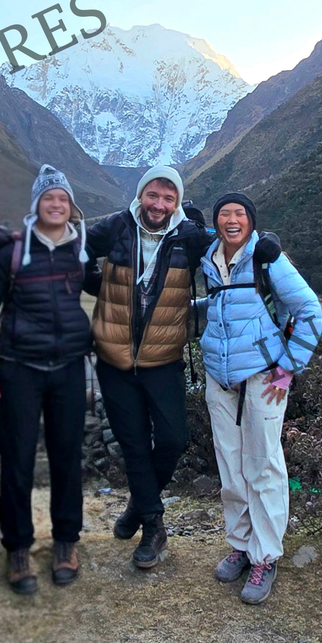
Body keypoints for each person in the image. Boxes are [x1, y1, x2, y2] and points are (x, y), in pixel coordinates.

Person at [194, 192, 322, 604]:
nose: (232, 220)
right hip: (219, 377)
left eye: (239, 214)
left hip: (263, 376)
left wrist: (289, 367)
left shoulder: (268, 259)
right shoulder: (209, 261)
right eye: (225, 214)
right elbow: (222, 306)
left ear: (250, 220)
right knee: (231, 465)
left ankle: (266, 556)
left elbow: (309, 309)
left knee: (264, 465)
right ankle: (241, 545)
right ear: (216, 224)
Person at [0, 165, 94, 595]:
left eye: (62, 198)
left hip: (68, 370)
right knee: (18, 461)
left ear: (71, 206)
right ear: (36, 205)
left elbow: (112, 281)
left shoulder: (79, 251)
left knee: (66, 459)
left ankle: (65, 544)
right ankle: (18, 549)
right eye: (48, 198)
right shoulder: (11, 254)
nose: (56, 204)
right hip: (19, 370)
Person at [84, 165, 211, 569]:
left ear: (177, 202)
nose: (159, 204)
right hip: (114, 358)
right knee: (134, 444)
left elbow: (231, 251)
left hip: (164, 357)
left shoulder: (189, 236)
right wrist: (94, 281)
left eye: (168, 198)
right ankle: (155, 528)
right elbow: (73, 247)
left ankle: (139, 505)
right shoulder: (116, 226)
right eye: (152, 195)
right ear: (141, 195)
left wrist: (267, 250)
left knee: (173, 438)